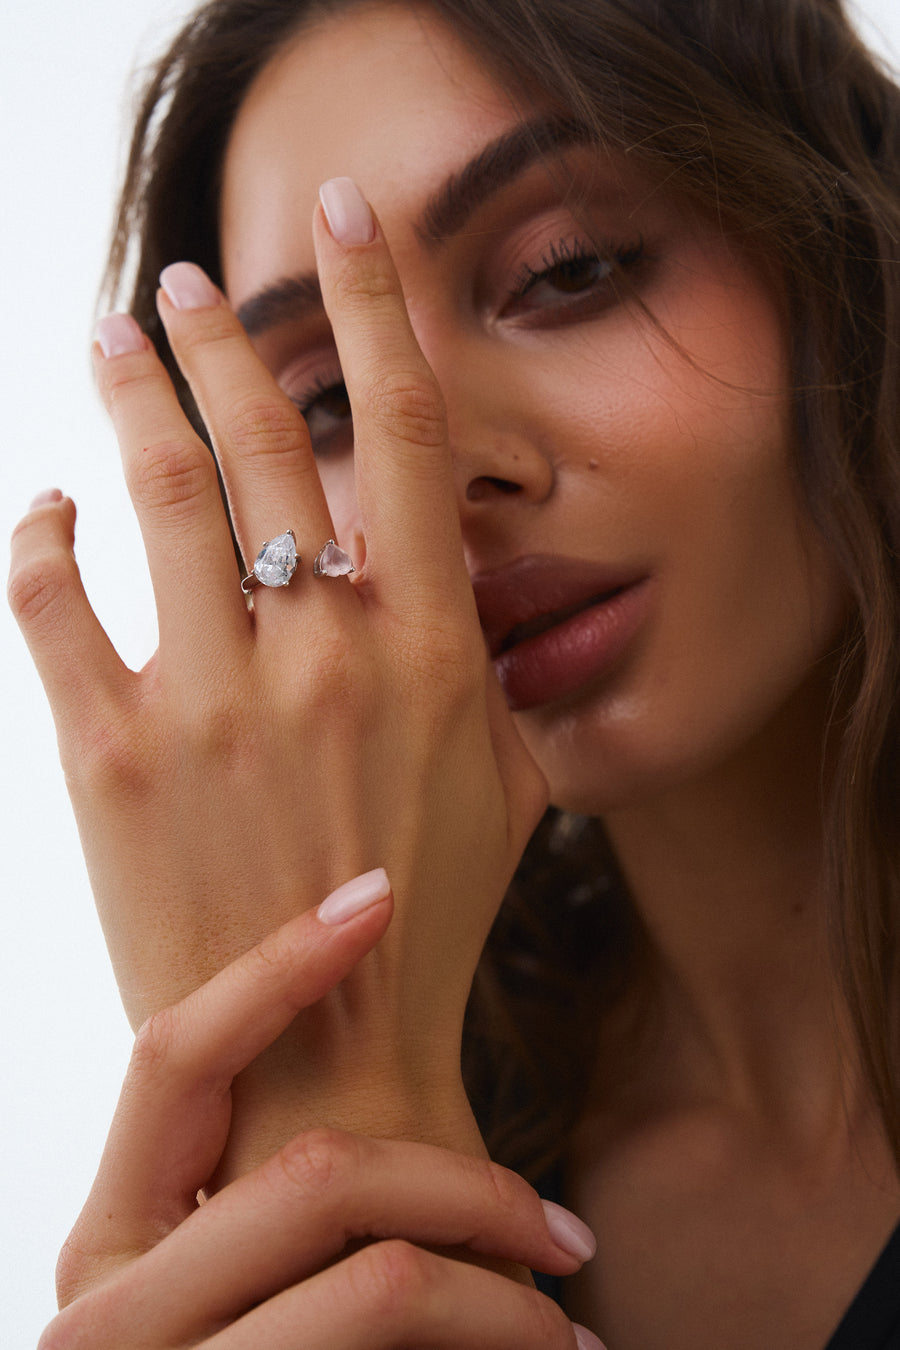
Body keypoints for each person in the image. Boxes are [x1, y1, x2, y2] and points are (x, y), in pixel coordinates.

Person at [9, 0, 900, 1345]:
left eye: (568, 267)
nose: (439, 458)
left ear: (855, 262)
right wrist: (312, 1121)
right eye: (323, 399)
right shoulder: (421, 1092)